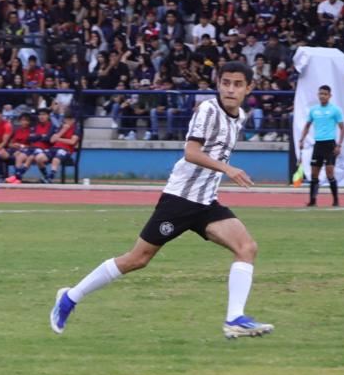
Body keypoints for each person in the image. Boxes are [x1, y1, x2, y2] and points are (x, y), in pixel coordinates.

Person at [51, 61, 274, 340]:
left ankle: (234, 319)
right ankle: (69, 298)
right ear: (218, 84)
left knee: (247, 247)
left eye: (238, 84)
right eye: (226, 82)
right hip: (180, 199)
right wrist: (227, 168)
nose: (230, 89)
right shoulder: (208, 110)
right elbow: (191, 152)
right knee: (138, 258)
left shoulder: (239, 116)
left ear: (249, 88)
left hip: (206, 201)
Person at [297, 84, 344, 208]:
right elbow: (307, 126)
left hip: (330, 144)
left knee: (330, 173)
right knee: (314, 174)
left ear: (330, 96)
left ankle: (336, 200)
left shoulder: (335, 110)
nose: (322, 96)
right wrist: (302, 139)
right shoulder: (314, 110)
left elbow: (342, 128)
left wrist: (339, 145)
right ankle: (312, 200)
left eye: (325, 94)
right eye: (320, 94)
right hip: (318, 144)